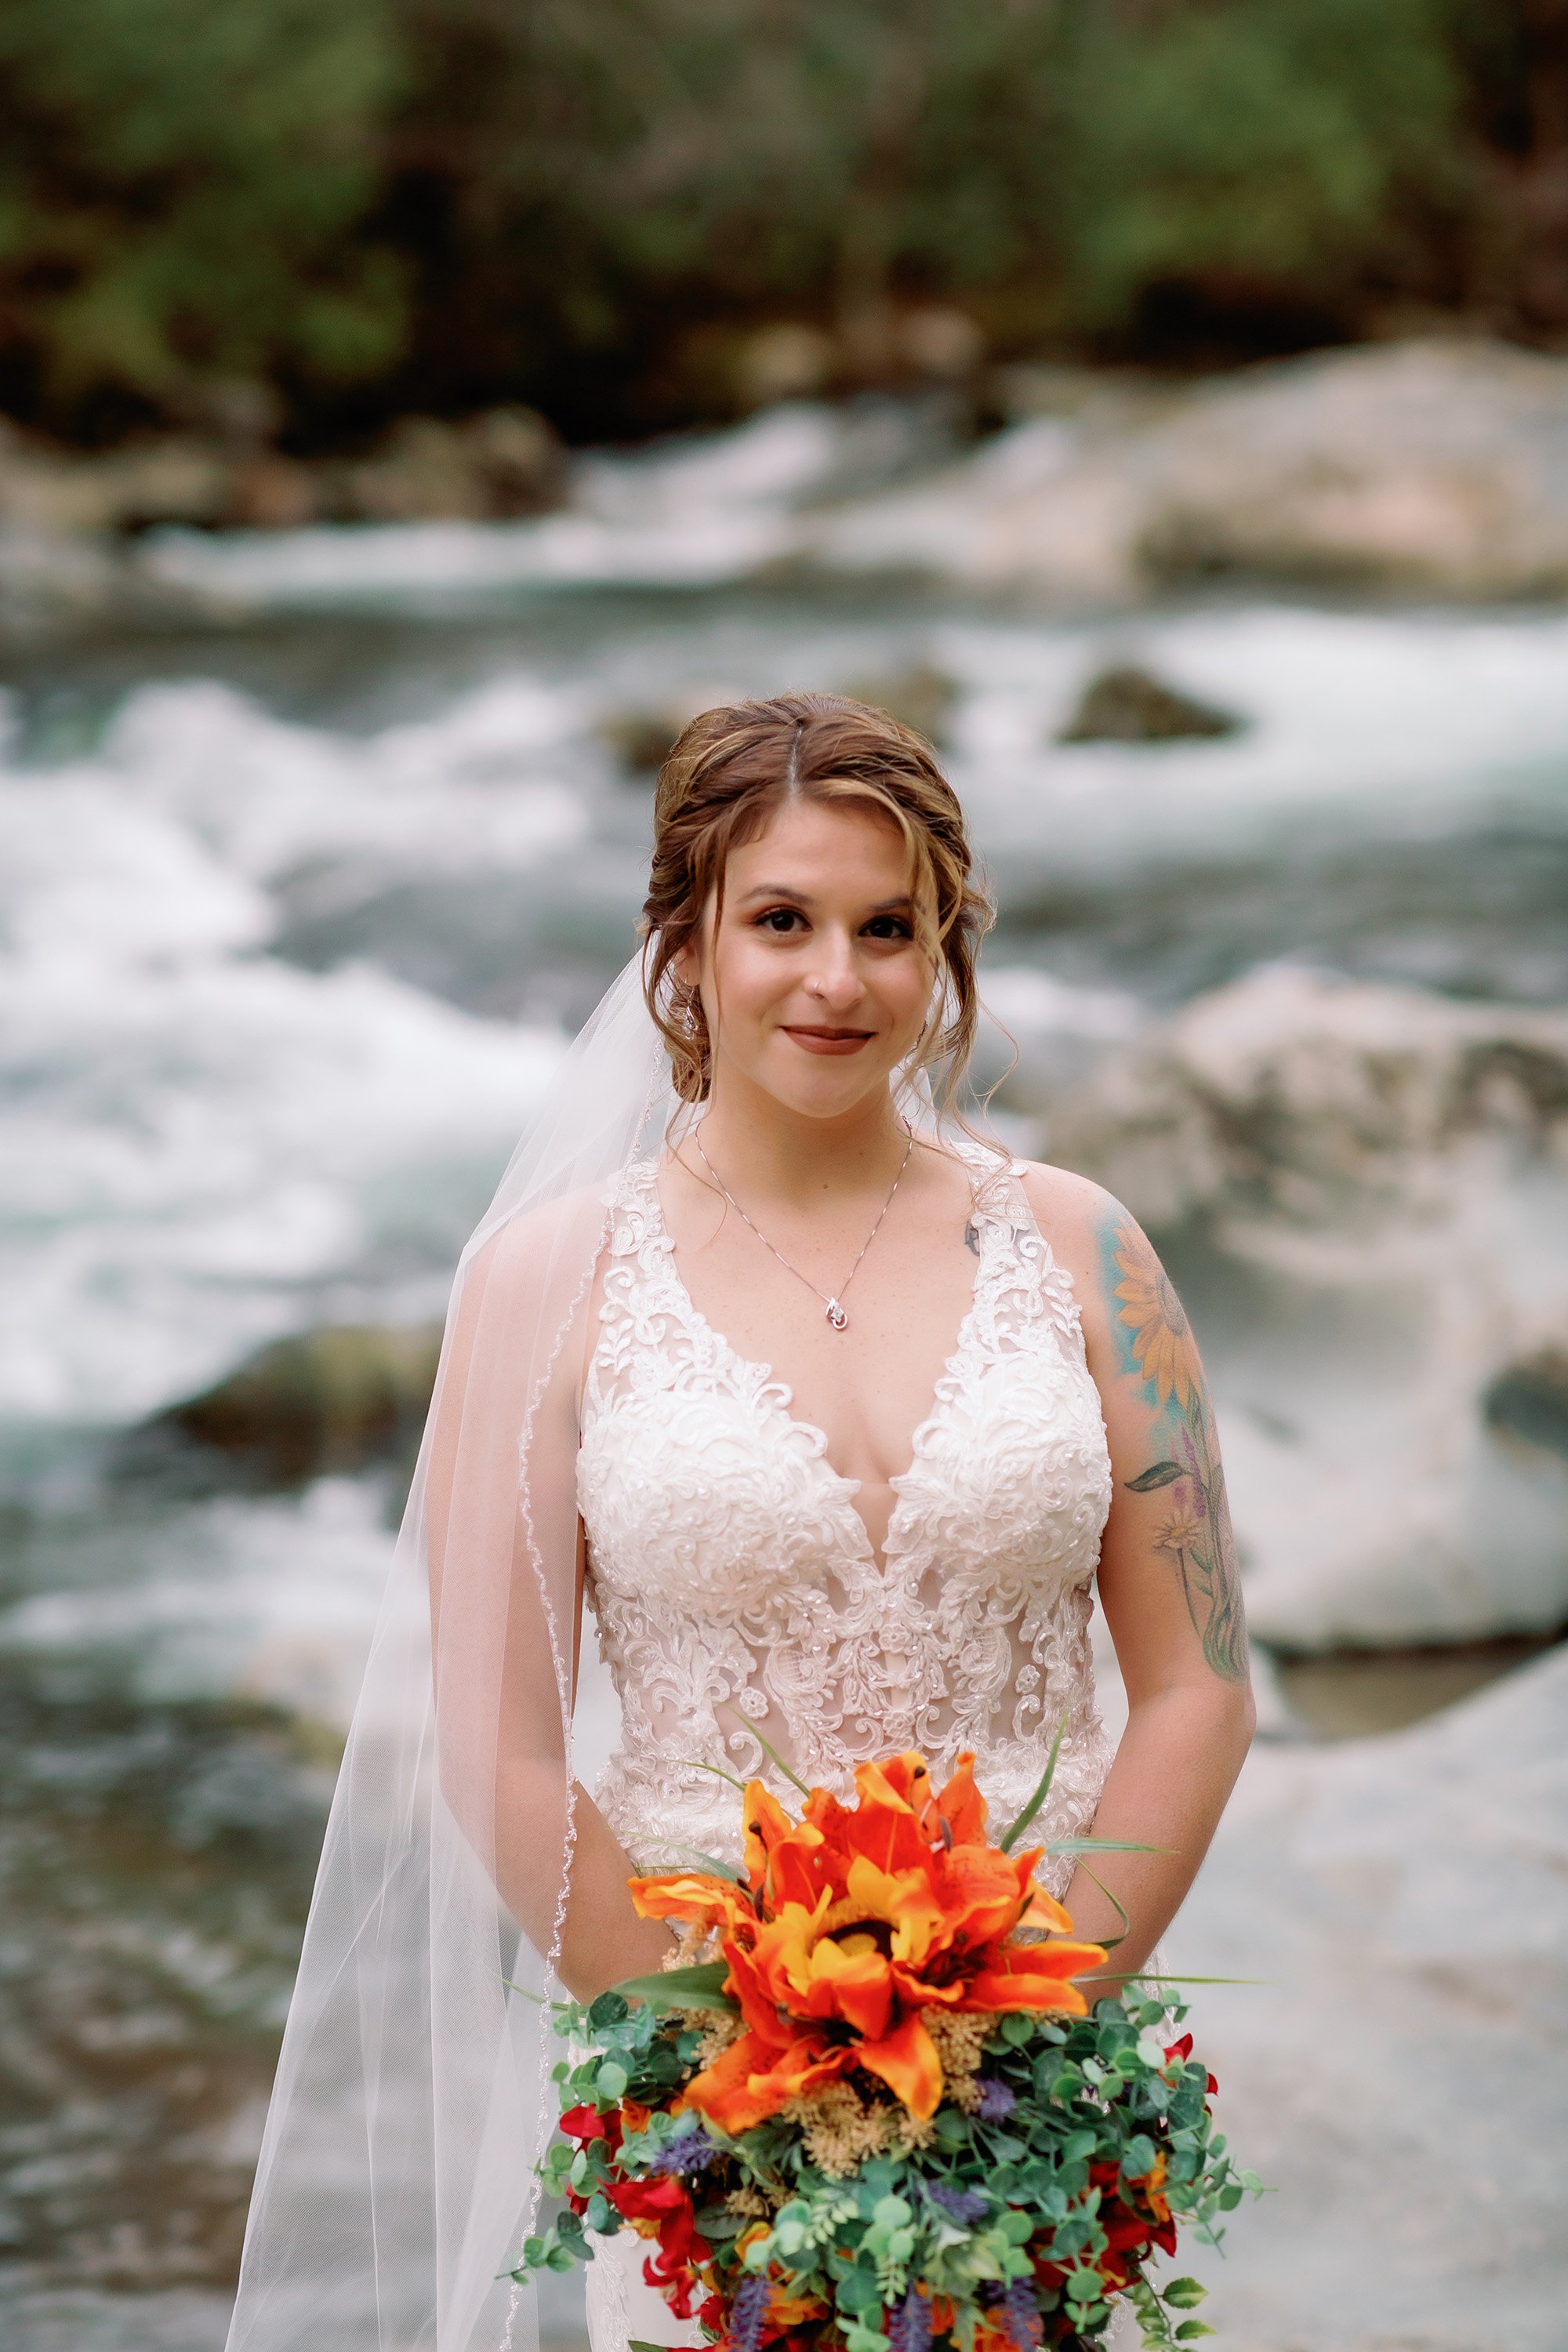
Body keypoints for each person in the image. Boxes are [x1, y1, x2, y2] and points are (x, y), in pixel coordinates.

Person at [225, 693, 1255, 2352]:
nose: (835, 980)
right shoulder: (543, 1282)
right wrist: (733, 2099)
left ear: (943, 955)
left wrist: (1042, 2031)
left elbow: (1197, 1684)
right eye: (780, 920)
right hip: (712, 2093)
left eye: (886, 928)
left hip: (1030, 2105)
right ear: (685, 946)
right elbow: (502, 1747)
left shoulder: (1082, 1250)